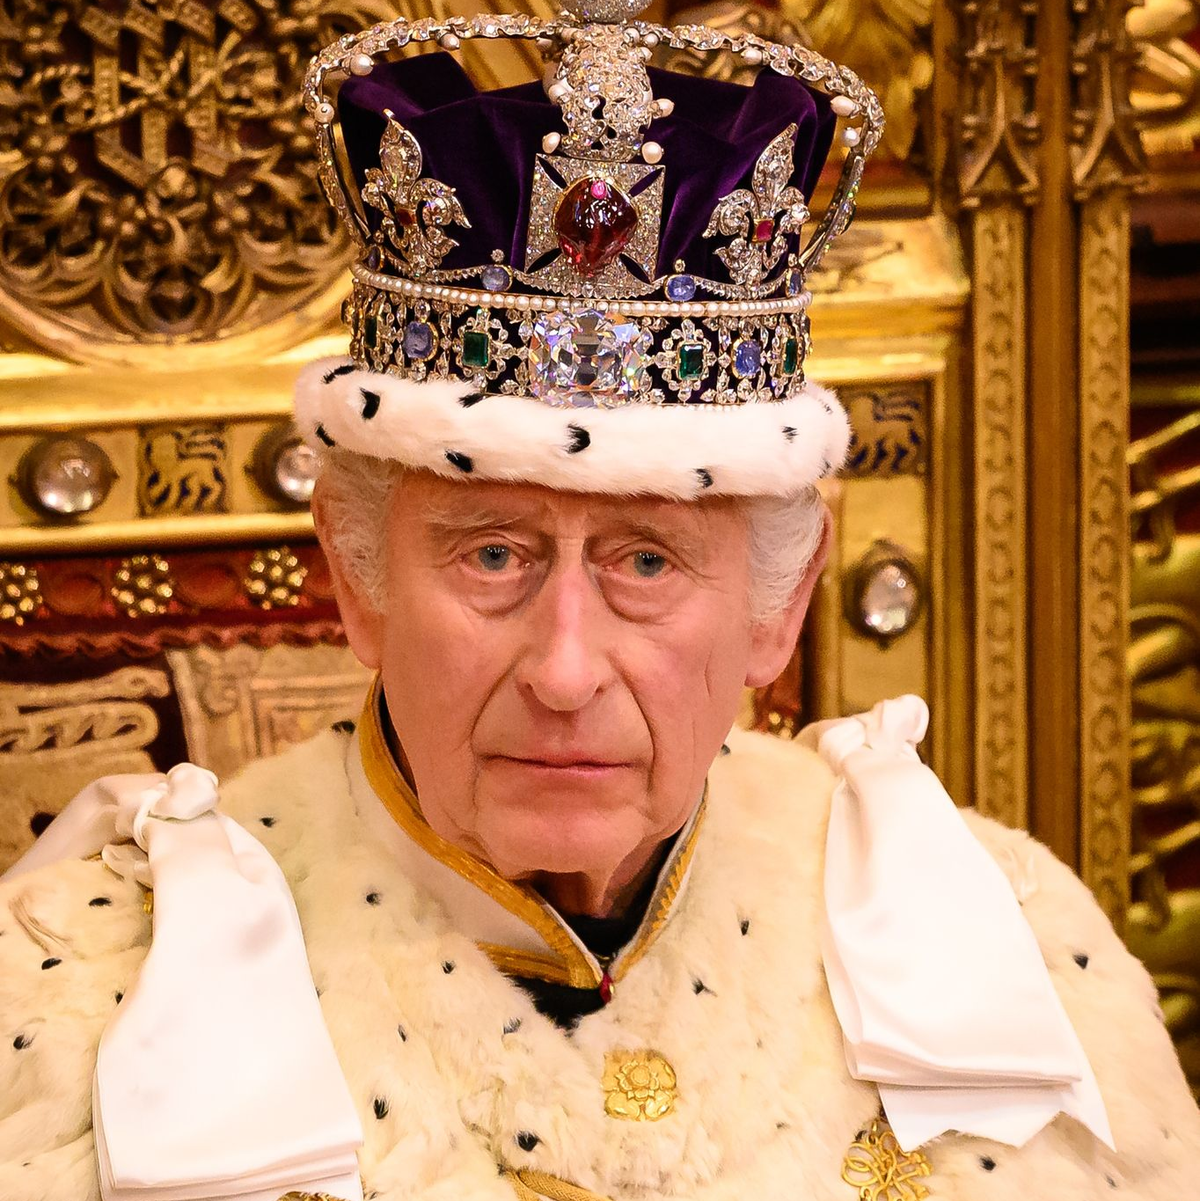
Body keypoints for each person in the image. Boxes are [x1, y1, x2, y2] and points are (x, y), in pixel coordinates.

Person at [2, 3, 1198, 1200]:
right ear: (355, 581)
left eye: (647, 563)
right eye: (491, 557)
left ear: (778, 612)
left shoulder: (1011, 948)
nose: (565, 671)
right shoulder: (84, 992)